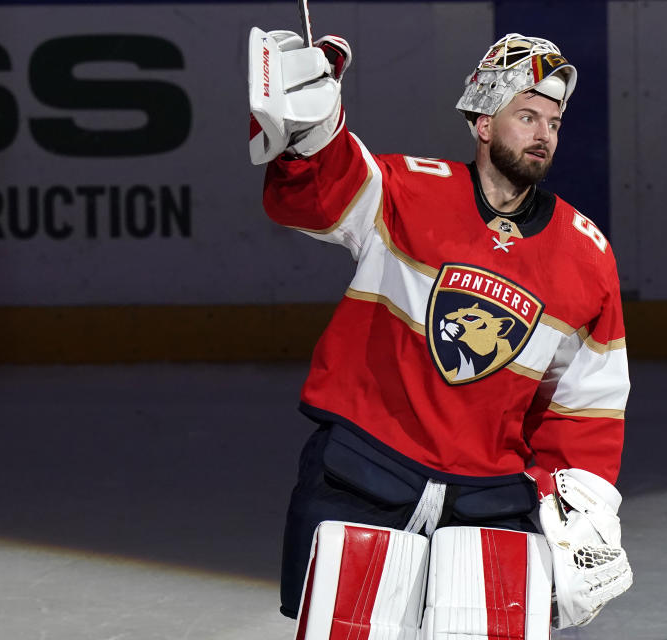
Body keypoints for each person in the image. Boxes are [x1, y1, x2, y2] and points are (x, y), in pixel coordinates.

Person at [248, 27, 632, 638]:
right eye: (527, 115)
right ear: (483, 121)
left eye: (553, 122)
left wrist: (579, 504)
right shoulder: (408, 190)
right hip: (364, 474)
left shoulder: (587, 256)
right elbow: (315, 198)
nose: (544, 134)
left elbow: (588, 400)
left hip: (488, 499)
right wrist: (309, 138)